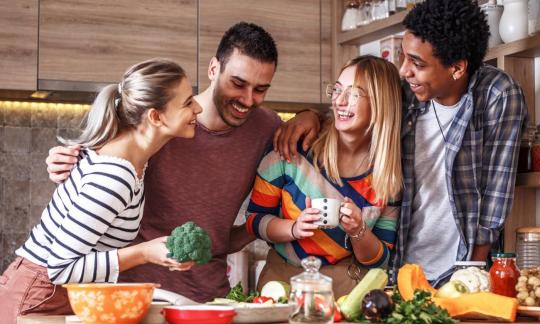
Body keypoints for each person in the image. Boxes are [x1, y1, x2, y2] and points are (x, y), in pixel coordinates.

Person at [275, 0, 528, 287]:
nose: (404, 71)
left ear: (457, 68)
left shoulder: (498, 95)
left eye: (417, 64)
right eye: (404, 57)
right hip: (398, 270)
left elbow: (496, 195)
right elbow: (355, 112)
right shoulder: (405, 93)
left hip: (460, 269)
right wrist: (311, 116)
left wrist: (470, 275)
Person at [44, 22, 294, 302]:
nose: (248, 100)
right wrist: (66, 160)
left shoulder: (266, 127)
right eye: (238, 83)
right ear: (214, 69)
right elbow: (103, 163)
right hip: (136, 295)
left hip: (207, 296)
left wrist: (310, 116)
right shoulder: (166, 123)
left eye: (260, 89)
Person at [0, 58, 201, 322]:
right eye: (187, 103)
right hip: (38, 296)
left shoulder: (133, 159)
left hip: (52, 294)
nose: (198, 108)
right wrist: (145, 253)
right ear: (155, 116)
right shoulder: (115, 175)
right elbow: (60, 269)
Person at [246, 55, 402, 297]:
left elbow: (379, 261)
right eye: (337, 90)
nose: (339, 101)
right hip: (283, 287)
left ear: (381, 104)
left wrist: (358, 231)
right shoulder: (292, 148)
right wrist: (294, 228)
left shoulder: (387, 176)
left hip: (348, 294)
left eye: (354, 94)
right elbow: (255, 220)